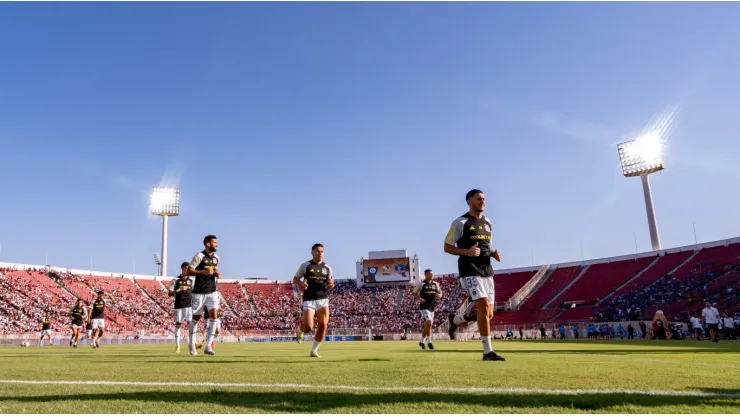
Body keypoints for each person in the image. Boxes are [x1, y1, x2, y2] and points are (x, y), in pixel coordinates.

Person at [445, 189, 504, 361]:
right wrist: (466, 251)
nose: (482, 201)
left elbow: (487, 246)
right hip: (469, 270)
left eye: (484, 199)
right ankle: (488, 352)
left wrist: (493, 253)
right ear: (469, 201)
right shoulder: (460, 222)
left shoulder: (488, 223)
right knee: (483, 306)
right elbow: (447, 247)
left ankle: (456, 320)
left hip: (486, 270)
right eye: (478, 199)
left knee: (488, 313)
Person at [293, 243, 334, 358]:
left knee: (323, 325)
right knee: (309, 327)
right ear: (312, 252)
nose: (319, 253)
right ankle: (300, 330)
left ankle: (314, 351)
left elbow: (331, 284)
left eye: (321, 251)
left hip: (323, 299)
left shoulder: (328, 268)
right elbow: (295, 279)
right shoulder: (306, 266)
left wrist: (331, 285)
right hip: (309, 299)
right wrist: (302, 284)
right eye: (317, 251)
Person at [187, 235, 222, 356]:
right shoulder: (199, 256)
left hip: (212, 291)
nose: (216, 244)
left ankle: (208, 346)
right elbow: (189, 271)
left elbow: (213, 271)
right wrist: (203, 272)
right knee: (196, 319)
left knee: (214, 317)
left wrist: (216, 274)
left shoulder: (216, 258)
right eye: (214, 242)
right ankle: (191, 344)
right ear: (207, 244)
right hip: (199, 292)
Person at [169, 262, 201, 353]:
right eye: (186, 268)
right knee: (178, 325)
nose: (187, 270)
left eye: (189, 268)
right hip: (178, 306)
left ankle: (194, 343)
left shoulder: (192, 280)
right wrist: (179, 290)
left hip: (189, 306)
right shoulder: (175, 280)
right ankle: (177, 346)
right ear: (182, 269)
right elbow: (169, 294)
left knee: (191, 325)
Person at [412, 269, 441, 350]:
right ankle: (430, 342)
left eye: (432, 274)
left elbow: (440, 293)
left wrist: (439, 295)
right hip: (424, 306)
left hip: (432, 306)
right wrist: (419, 298)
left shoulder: (435, 284)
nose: (431, 275)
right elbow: (414, 292)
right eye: (429, 274)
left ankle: (421, 342)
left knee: (428, 325)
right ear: (425, 275)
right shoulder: (421, 284)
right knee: (429, 322)